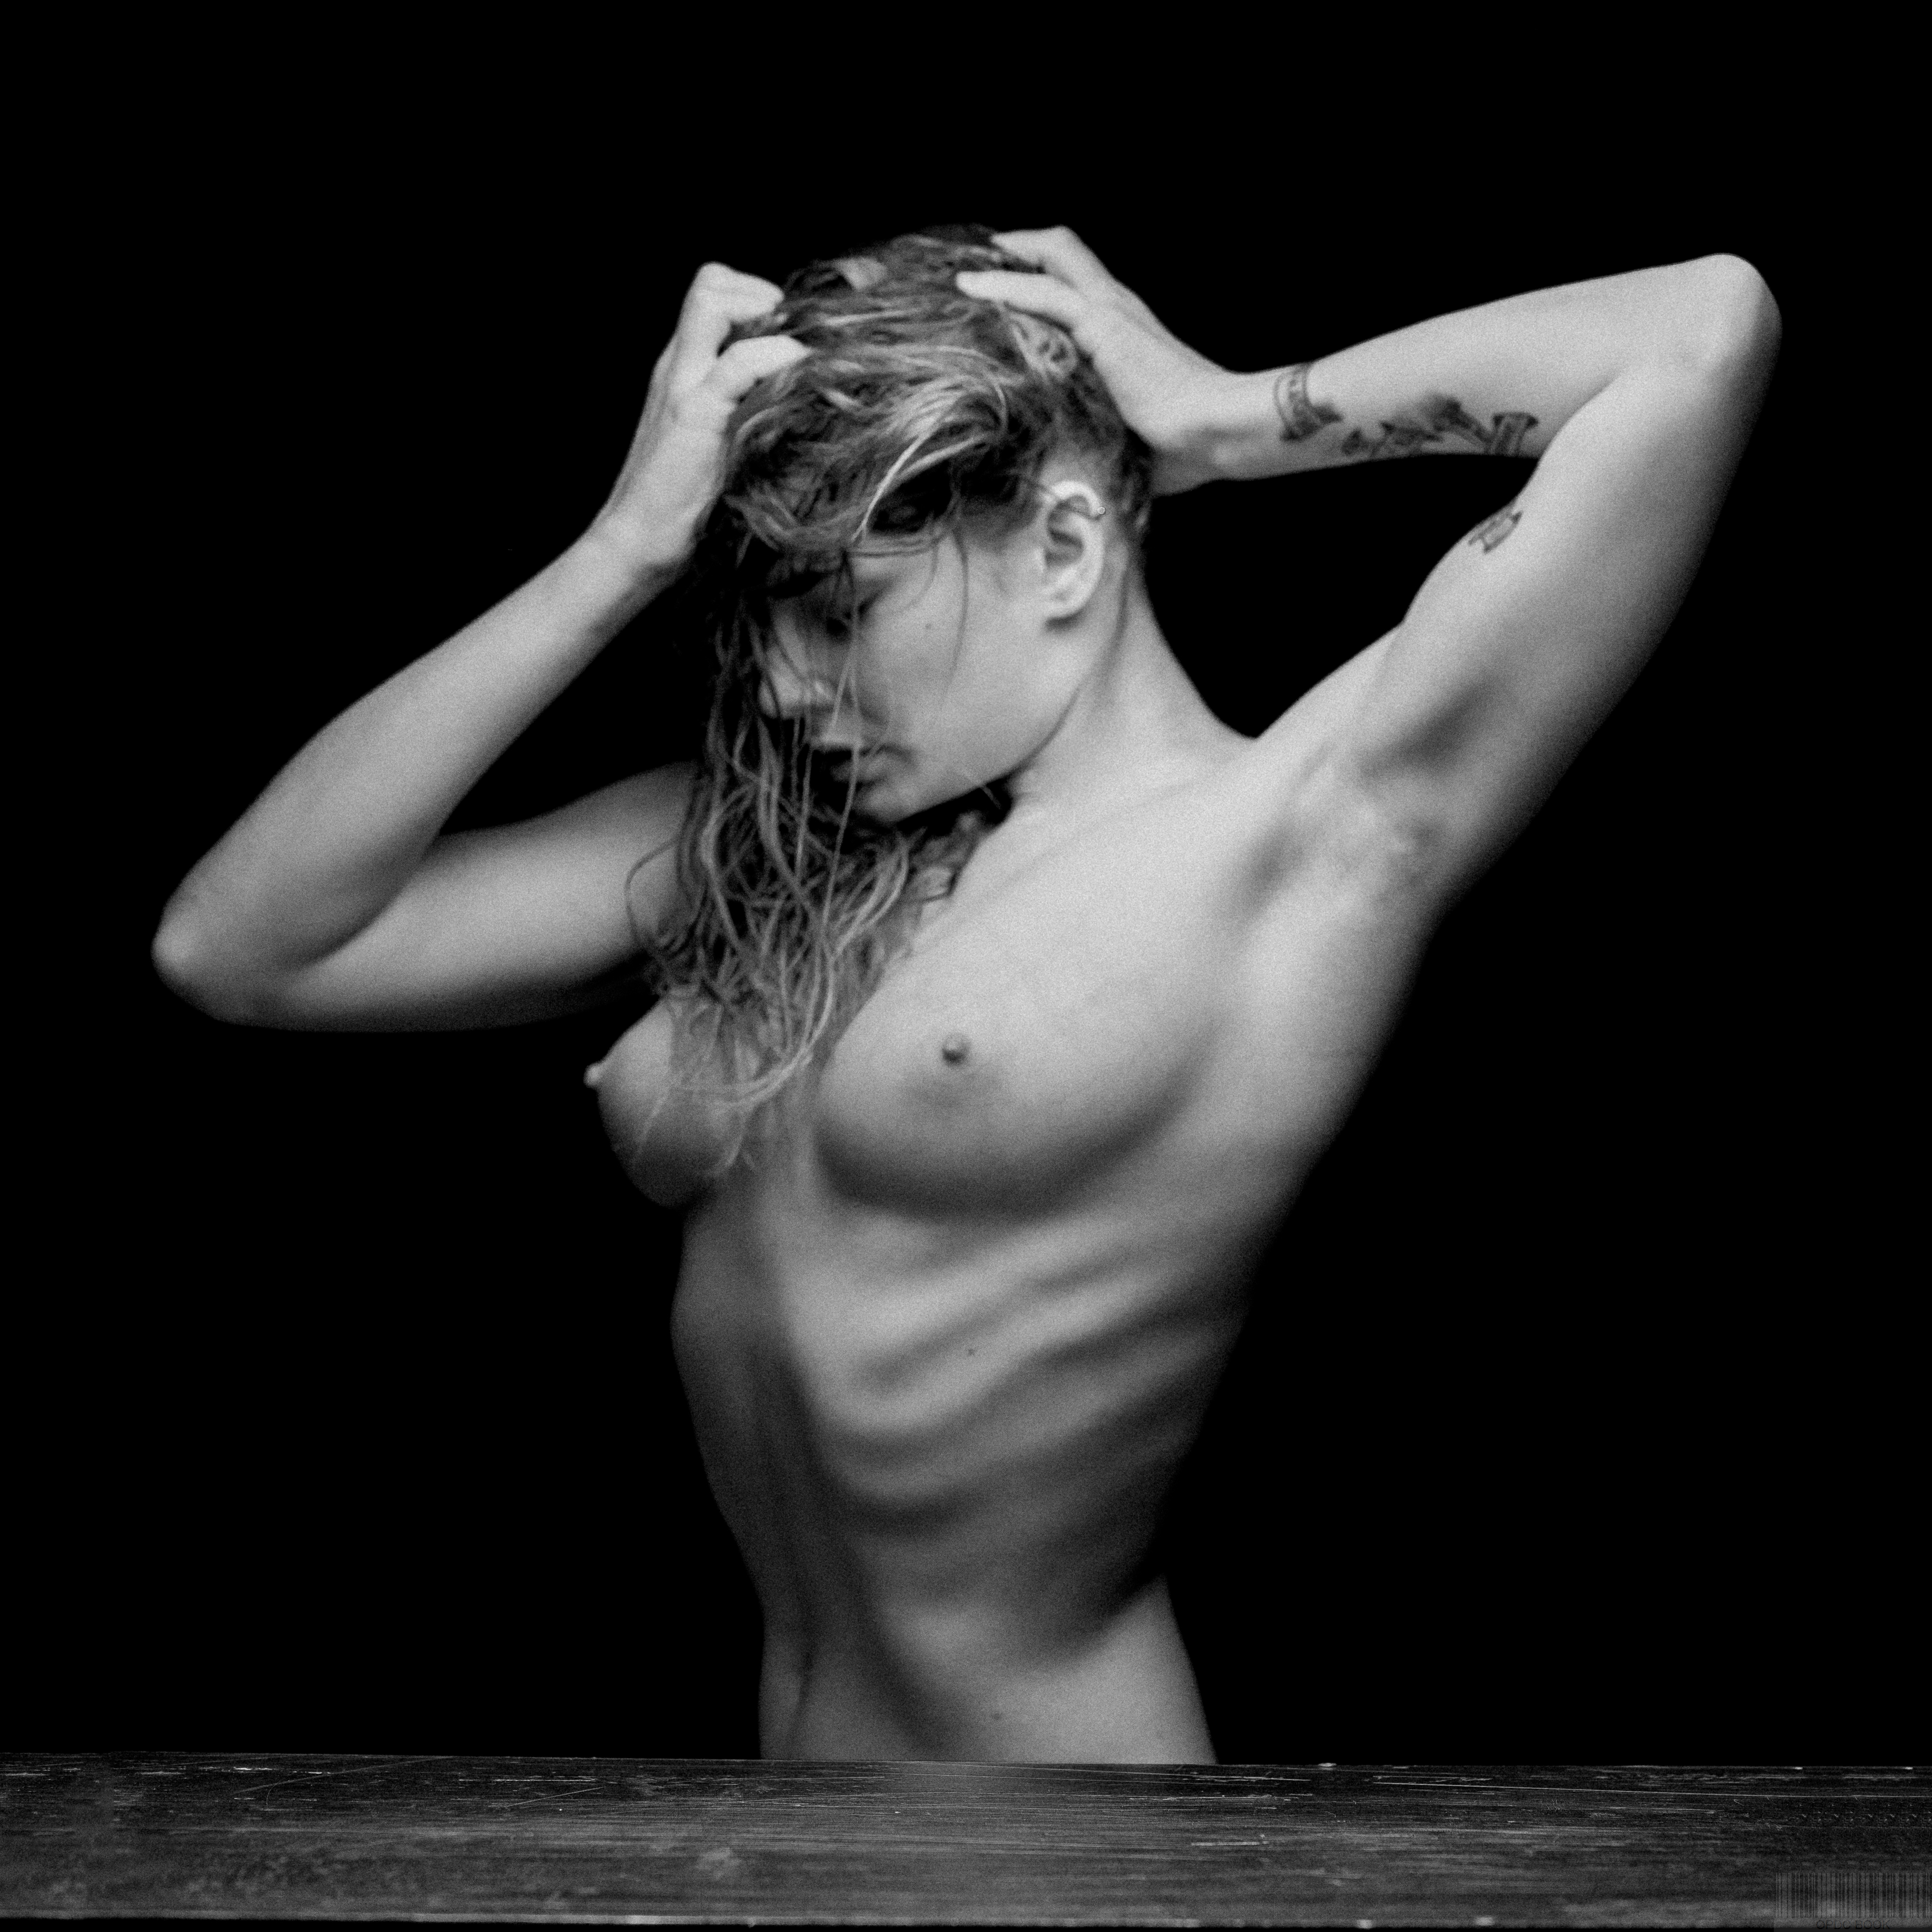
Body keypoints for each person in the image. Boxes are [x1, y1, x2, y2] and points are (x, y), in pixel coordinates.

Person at [152, 223, 1780, 1763]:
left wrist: (1224, 419)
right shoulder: (769, 848)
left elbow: (1696, 333)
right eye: (762, 620)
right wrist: (617, 554)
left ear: (1062, 545)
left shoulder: (1291, 836)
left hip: (1063, 1830)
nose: (784, 685)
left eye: (839, 611)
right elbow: (242, 948)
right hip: (776, 1820)